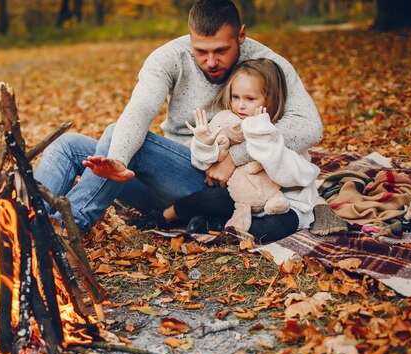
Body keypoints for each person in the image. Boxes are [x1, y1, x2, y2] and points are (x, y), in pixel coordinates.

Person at [34, 0, 322, 236]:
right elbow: (140, 109)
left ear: (241, 36)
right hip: (168, 177)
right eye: (201, 51)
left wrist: (236, 156)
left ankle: (69, 230)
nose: (211, 61)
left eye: (221, 50)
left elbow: (310, 126)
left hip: (221, 189)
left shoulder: (266, 63)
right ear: (190, 40)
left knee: (113, 134)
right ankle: (27, 224)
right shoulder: (169, 57)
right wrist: (119, 159)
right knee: (68, 145)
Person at [131, 58, 320, 243]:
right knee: (215, 197)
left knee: (275, 228)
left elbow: (290, 177)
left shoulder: (280, 133)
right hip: (239, 201)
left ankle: (218, 224)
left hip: (281, 204)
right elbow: (202, 163)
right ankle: (166, 216)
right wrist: (205, 143)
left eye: (250, 99)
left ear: (271, 101)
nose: (240, 105)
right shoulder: (230, 126)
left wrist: (264, 141)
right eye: (235, 97)